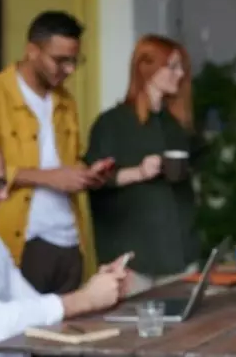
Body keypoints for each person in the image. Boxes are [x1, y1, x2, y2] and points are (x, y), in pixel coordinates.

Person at [0, 11, 113, 294]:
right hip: (22, 243)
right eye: (61, 60)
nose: (70, 69)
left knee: (73, 333)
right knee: (24, 334)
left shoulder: (66, 101)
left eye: (75, 60)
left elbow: (64, 164)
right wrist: (50, 178)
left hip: (71, 242)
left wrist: (85, 175)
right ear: (32, 51)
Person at [0, 137, 130, 357]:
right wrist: (84, 299)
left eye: (4, 183)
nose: (5, 194)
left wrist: (96, 291)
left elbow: (34, 305)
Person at [84, 35, 201, 295]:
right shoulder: (111, 123)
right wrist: (139, 172)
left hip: (182, 256)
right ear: (146, 68)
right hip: (135, 262)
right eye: (172, 66)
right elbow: (93, 180)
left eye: (181, 67)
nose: (180, 74)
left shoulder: (177, 125)